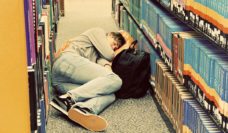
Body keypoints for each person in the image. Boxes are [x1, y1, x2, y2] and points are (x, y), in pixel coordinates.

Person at [50, 27, 126, 132]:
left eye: (116, 47)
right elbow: (110, 55)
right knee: (117, 80)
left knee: (110, 94)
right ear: (110, 35)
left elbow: (106, 70)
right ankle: (68, 99)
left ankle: (84, 109)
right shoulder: (98, 32)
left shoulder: (99, 55)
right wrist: (123, 49)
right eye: (114, 43)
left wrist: (107, 65)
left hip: (60, 83)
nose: (113, 48)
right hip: (67, 61)